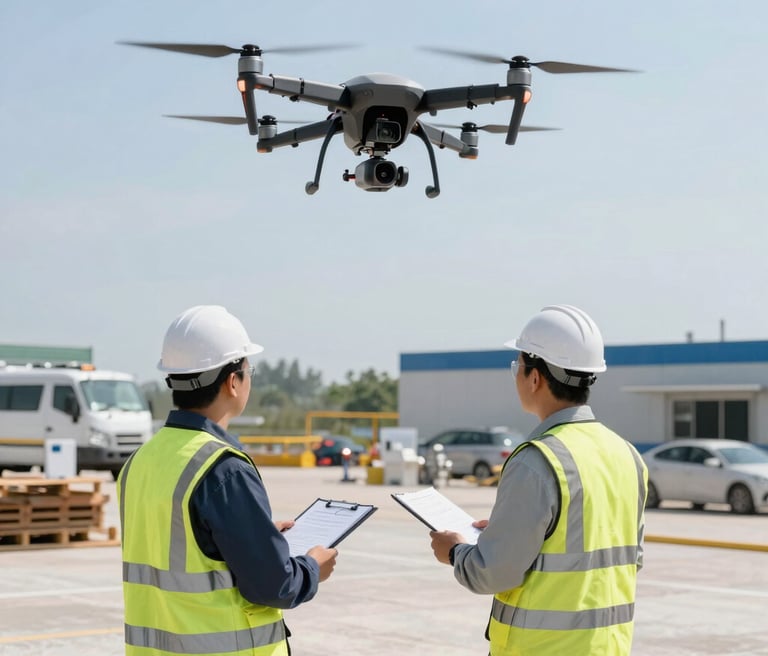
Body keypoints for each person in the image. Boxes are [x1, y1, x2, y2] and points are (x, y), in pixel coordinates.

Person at [117, 305, 338, 655]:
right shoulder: (224, 468)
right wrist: (312, 567)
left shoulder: (140, 461)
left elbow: (185, 547)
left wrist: (258, 537)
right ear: (233, 381)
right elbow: (274, 586)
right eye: (249, 369)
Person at [430, 305, 648, 655]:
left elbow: (491, 573)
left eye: (517, 366)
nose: (516, 375)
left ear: (535, 378)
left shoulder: (537, 460)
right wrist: (508, 533)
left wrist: (454, 551)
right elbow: (623, 557)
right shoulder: (627, 455)